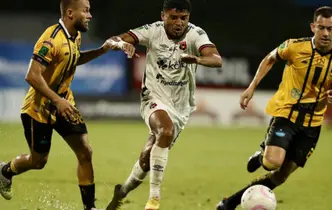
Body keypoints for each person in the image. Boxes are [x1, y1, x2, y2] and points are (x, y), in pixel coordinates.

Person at [0, 0, 135, 209]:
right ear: (70, 13)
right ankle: (5, 171)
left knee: (85, 152)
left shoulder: (75, 36)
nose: (90, 15)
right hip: (39, 109)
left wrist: (102, 50)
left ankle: (89, 207)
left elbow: (74, 59)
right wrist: (57, 100)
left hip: (64, 103)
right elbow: (32, 75)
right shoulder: (50, 39)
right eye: (86, 11)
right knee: (38, 161)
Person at [216, 6, 332, 210]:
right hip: (287, 115)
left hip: (313, 124)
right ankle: (261, 155)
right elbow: (269, 59)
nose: (325, 33)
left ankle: (229, 203)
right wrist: (251, 88)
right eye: (321, 27)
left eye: (330, 29)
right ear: (313, 27)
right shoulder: (294, 46)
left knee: (280, 176)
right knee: (272, 163)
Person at [105, 0, 222, 209]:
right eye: (173, 17)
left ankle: (122, 191)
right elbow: (114, 40)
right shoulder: (152, 31)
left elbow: (216, 59)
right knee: (165, 131)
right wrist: (123, 44)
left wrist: (195, 59)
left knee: (147, 158)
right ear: (163, 16)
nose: (179, 23)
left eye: (183, 18)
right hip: (153, 96)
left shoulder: (196, 34)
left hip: (181, 105)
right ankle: (154, 198)